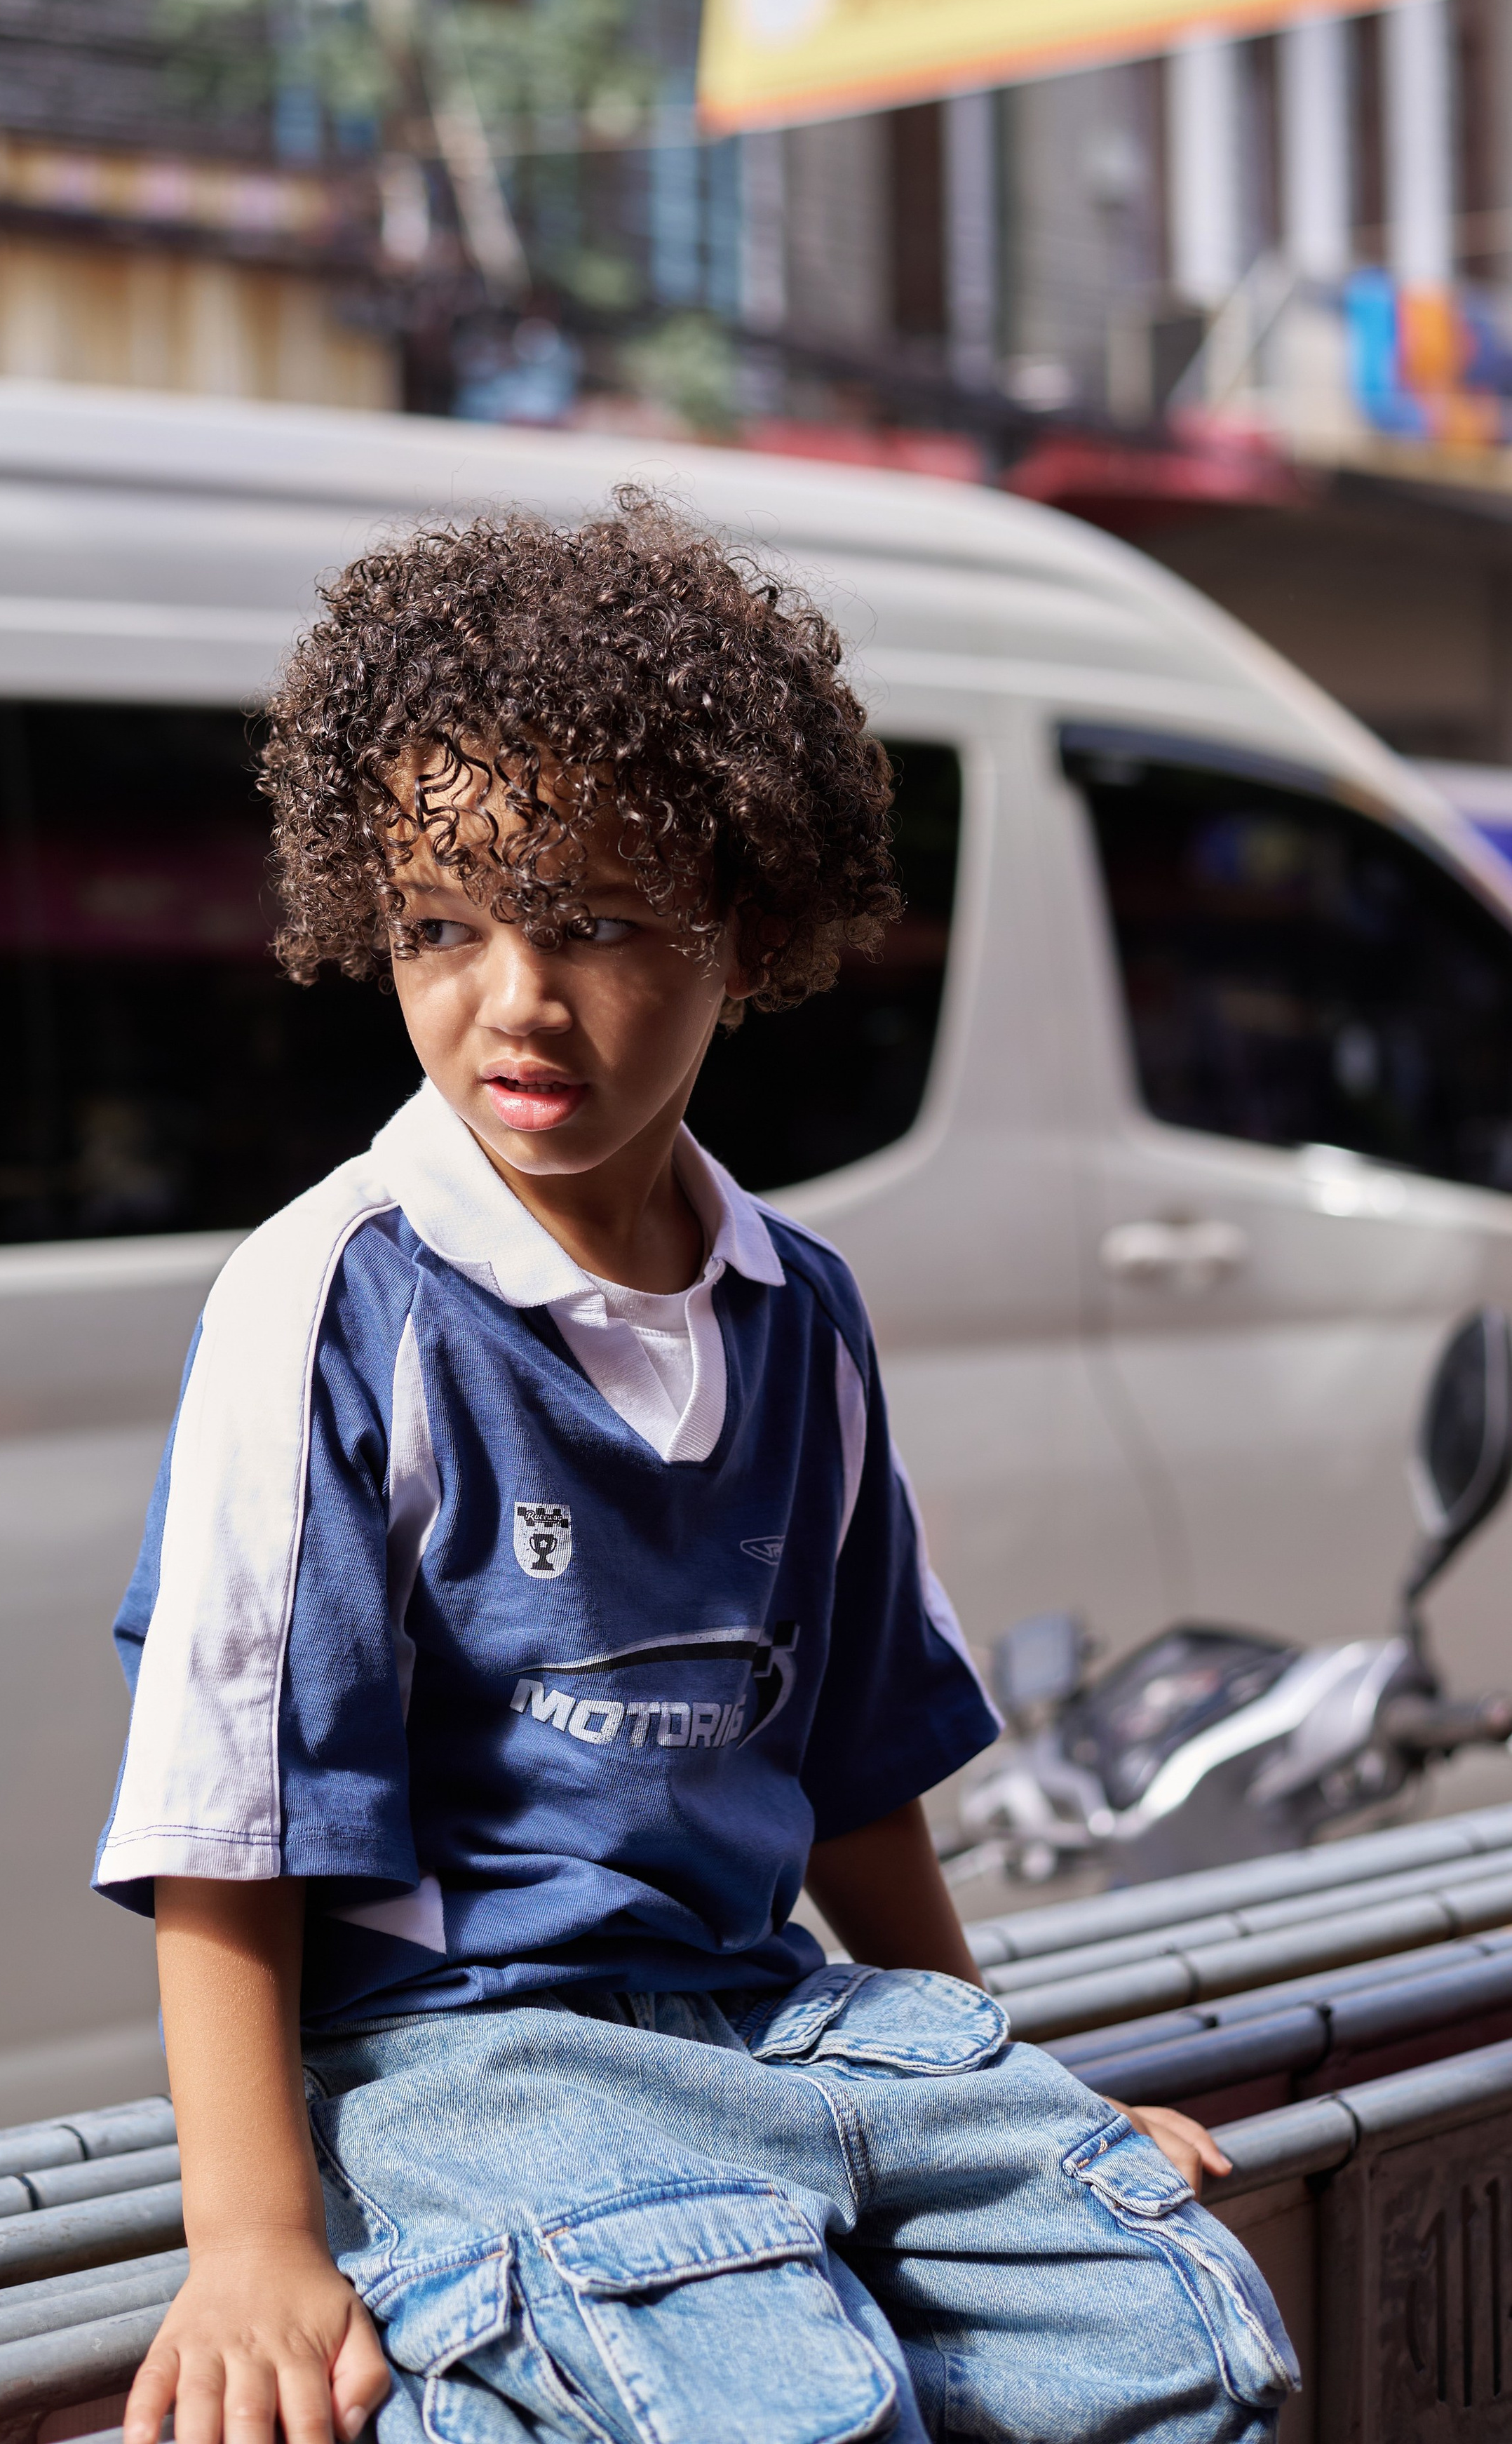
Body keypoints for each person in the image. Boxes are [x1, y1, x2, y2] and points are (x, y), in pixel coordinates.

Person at [98, 499, 1297, 2444]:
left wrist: (1003, 2102)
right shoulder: (330, 1303)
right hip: (483, 2058)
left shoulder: (798, 1310)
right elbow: (228, 1810)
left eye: (590, 921)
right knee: (775, 2410)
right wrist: (254, 2241)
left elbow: (854, 1775)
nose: (513, 997)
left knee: (1181, 2336)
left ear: (743, 930)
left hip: (782, 2020)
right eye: (441, 926)